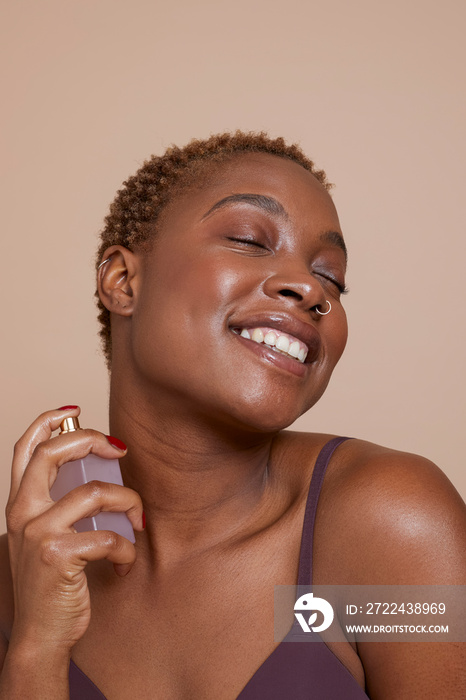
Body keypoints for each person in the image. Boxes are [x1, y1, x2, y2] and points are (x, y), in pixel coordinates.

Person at [0, 132, 465, 699]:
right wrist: (37, 649)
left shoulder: (390, 524)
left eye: (332, 279)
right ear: (123, 281)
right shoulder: (23, 576)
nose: (311, 288)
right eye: (249, 239)